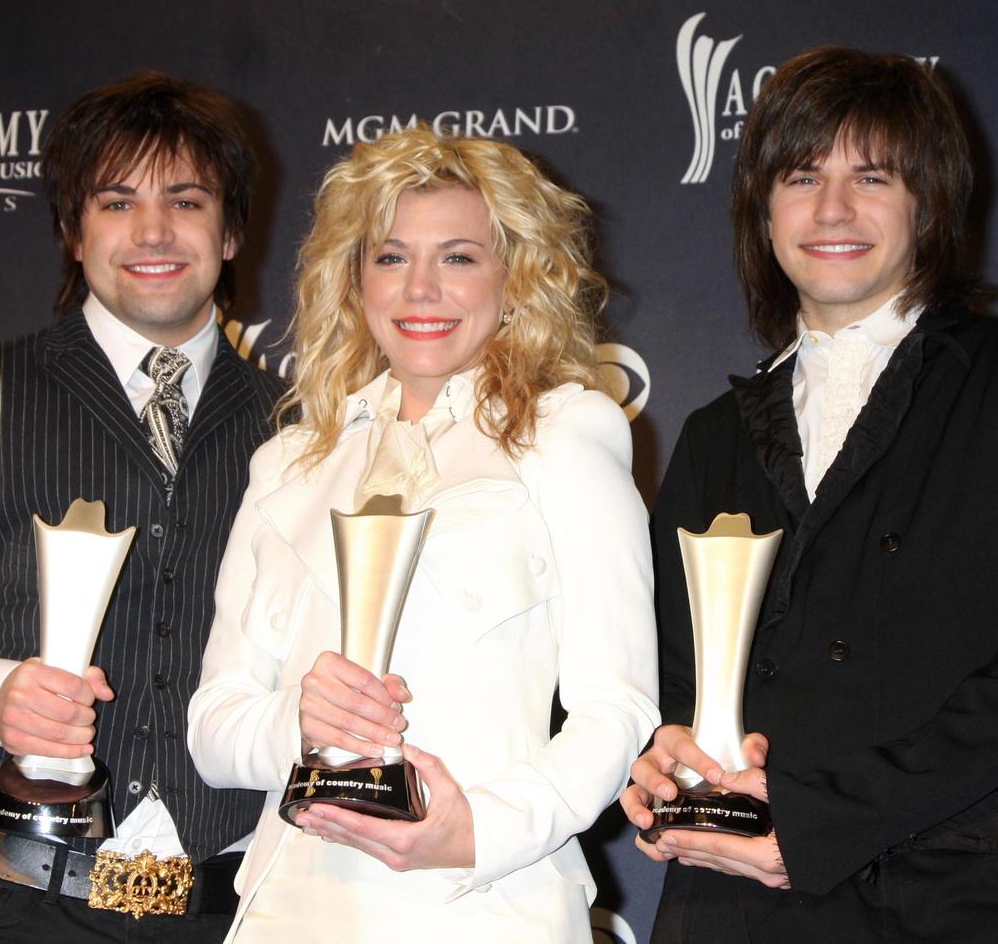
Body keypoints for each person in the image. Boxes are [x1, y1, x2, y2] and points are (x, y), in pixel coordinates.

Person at [0, 71, 283, 942]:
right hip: (7, 898)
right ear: (74, 231)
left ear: (230, 233)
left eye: (186, 200)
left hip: (227, 908)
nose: (153, 231)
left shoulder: (300, 431)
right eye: (117, 202)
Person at [620, 46, 998, 941]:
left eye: (872, 176)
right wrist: (662, 760)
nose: (831, 210)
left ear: (928, 201)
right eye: (801, 175)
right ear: (761, 209)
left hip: (955, 893)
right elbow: (668, 673)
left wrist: (819, 823)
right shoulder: (714, 435)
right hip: (730, 899)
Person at [188, 125, 659, 943]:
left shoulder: (564, 434)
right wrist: (297, 720)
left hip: (483, 903)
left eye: (460, 256)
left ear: (514, 277)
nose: (421, 290)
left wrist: (479, 831)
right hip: (289, 905)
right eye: (391, 256)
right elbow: (214, 727)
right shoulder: (289, 464)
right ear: (354, 278)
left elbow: (616, 706)